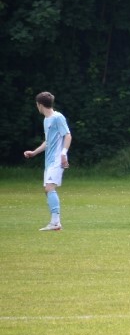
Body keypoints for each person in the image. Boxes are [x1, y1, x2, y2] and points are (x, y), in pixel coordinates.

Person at [23, 91, 71, 231]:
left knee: (49, 188)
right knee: (47, 189)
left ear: (40, 104)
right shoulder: (46, 120)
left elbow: (68, 136)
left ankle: (55, 223)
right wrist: (34, 152)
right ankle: (55, 222)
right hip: (49, 161)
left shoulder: (58, 117)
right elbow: (48, 142)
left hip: (57, 159)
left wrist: (63, 154)